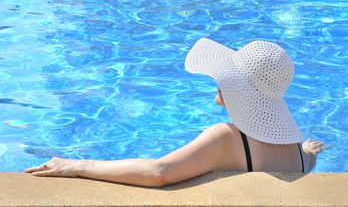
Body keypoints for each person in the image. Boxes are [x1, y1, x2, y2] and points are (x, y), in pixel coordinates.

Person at [25, 38, 331, 187]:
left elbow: (159, 173)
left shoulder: (227, 138)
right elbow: (308, 159)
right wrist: (309, 149)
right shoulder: (295, 151)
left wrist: (79, 165)